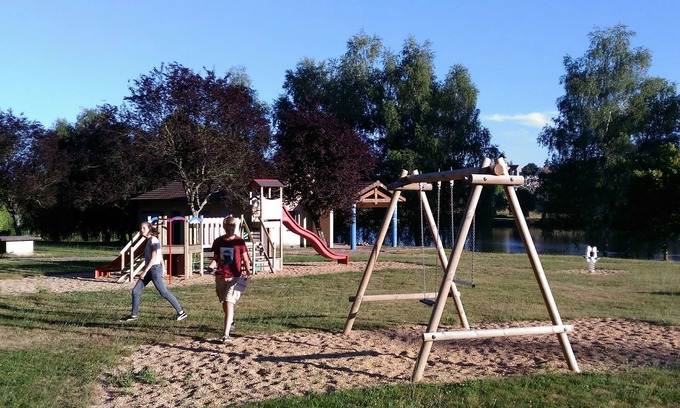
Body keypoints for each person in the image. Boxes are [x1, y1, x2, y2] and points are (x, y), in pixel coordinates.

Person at [120, 221, 187, 322]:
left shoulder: (153, 241)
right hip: (151, 269)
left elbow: (154, 256)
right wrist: (163, 267)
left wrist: (145, 271)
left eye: (144, 228)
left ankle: (181, 312)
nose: (141, 230)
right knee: (136, 291)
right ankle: (133, 315)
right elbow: (159, 255)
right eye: (141, 228)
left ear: (149, 229)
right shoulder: (150, 240)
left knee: (164, 292)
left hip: (154, 269)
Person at [208, 216, 251, 343]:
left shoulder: (239, 242)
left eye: (232, 230)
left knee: (228, 301)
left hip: (235, 277)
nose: (230, 232)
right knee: (224, 302)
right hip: (221, 277)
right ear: (224, 227)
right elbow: (216, 258)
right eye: (228, 230)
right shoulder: (218, 242)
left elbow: (245, 259)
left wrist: (248, 272)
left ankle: (226, 335)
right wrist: (211, 267)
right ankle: (231, 321)